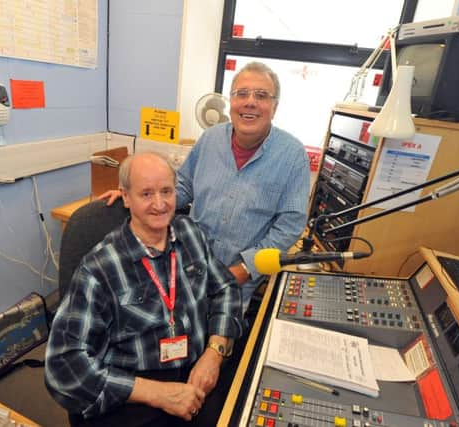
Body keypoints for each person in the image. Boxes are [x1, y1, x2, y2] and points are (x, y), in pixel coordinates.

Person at [45, 152, 243, 427]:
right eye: (146, 194)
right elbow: (63, 368)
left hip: (197, 374)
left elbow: (226, 288)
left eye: (166, 191)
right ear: (126, 197)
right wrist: (158, 394)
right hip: (135, 394)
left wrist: (214, 353)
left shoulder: (190, 234)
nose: (160, 204)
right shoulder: (100, 268)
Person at [101, 61, 310, 314]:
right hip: (186, 263)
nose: (250, 102)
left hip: (237, 279)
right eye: (241, 94)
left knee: (214, 338)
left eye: (261, 96)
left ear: (274, 107)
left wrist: (245, 270)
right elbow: (184, 186)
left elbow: (289, 226)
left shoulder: (292, 155)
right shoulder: (210, 138)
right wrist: (139, 197)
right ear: (230, 102)